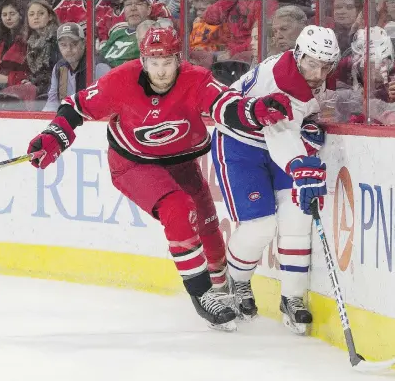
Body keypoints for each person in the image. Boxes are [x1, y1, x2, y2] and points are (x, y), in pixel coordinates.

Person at [25, 27, 293, 331]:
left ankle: (221, 288)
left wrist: (256, 110)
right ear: (142, 60)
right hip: (133, 165)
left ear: (178, 59)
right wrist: (54, 137)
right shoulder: (120, 80)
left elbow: (226, 104)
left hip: (181, 163)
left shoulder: (196, 78)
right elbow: (77, 106)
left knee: (207, 225)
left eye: (167, 62)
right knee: (177, 208)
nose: (162, 70)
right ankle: (203, 295)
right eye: (154, 63)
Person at [211, 26, 340, 334]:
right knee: (260, 225)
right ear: (298, 54)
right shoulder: (280, 80)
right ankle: (236, 282)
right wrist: (299, 164)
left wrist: (309, 125)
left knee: (297, 219)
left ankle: (292, 297)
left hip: (278, 144)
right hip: (240, 145)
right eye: (312, 63)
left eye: (326, 66)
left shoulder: (307, 74)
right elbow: (279, 133)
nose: (318, 72)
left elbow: (297, 122)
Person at [43, 22, 111, 112]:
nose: (68, 49)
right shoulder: (59, 67)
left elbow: (108, 105)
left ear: (83, 43)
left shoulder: (99, 67)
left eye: (74, 44)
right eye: (63, 45)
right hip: (69, 119)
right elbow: (52, 103)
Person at [0, 1, 28, 93]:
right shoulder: (2, 38)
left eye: (12, 14)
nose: (8, 18)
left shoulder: (27, 38)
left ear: (21, 15)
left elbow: (31, 73)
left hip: (16, 87)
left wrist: (7, 78)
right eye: (4, 15)